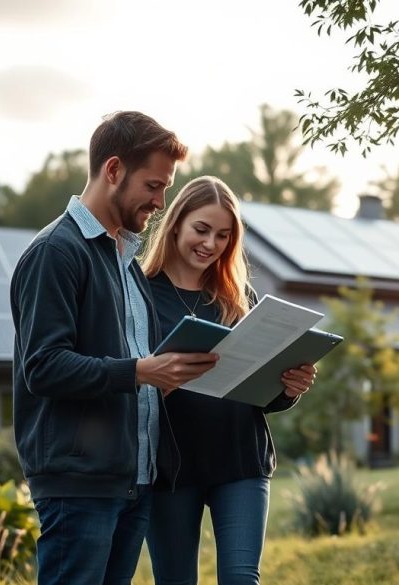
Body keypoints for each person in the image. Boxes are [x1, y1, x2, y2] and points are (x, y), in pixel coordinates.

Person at [10, 111, 220, 585]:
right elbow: (43, 367)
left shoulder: (126, 261)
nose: (161, 201)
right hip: (78, 484)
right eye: (153, 185)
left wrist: (171, 375)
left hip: (131, 481)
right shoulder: (56, 253)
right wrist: (142, 372)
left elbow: (133, 366)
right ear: (113, 171)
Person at [141, 176, 318, 585]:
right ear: (176, 223)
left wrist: (289, 386)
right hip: (171, 467)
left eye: (223, 235)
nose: (211, 244)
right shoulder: (141, 292)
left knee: (241, 579)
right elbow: (131, 373)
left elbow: (263, 392)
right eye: (202, 230)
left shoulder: (239, 297)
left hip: (240, 461)